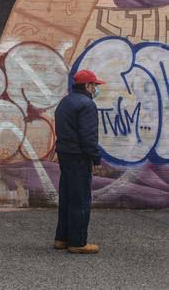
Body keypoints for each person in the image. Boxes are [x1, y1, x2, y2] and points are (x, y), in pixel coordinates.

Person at [53, 69, 105, 254]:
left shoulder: (65, 102)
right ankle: (77, 242)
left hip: (65, 155)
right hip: (79, 158)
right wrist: (96, 159)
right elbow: (88, 137)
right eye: (95, 85)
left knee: (67, 198)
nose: (96, 89)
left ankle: (62, 238)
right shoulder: (87, 105)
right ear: (87, 85)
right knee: (80, 199)